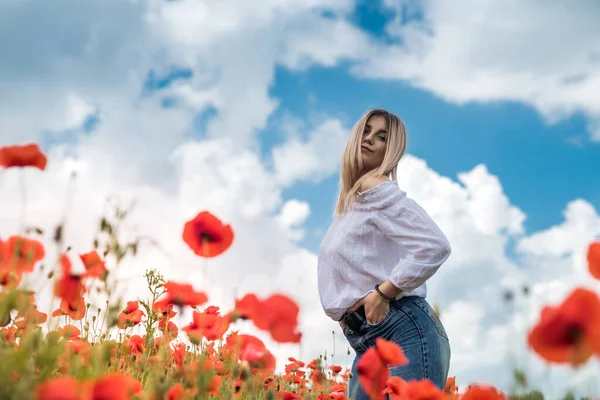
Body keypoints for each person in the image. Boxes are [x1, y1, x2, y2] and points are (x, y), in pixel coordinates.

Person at [317, 108, 452, 399]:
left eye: (381, 138)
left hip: (402, 331)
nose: (369, 140)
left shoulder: (375, 187)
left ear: (389, 152)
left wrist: (384, 292)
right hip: (366, 342)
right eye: (366, 131)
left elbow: (435, 245)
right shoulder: (351, 206)